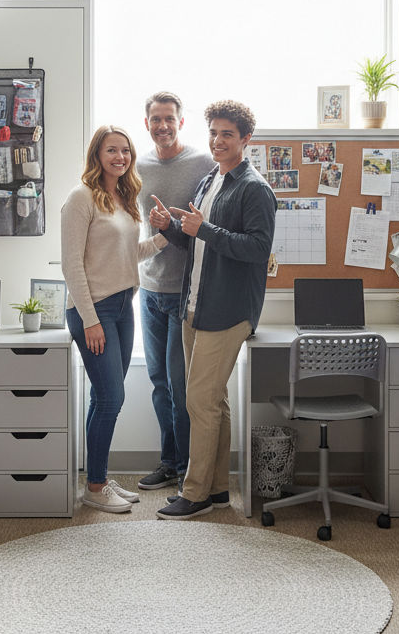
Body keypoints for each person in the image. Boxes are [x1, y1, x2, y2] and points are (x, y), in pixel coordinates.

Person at [149, 99, 276, 519]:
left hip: (227, 310)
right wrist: (172, 227)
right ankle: (218, 488)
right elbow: (201, 242)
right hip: (195, 304)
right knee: (213, 402)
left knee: (199, 402)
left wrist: (204, 227)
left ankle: (196, 492)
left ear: (246, 140)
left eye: (227, 134)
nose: (218, 141)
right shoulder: (210, 180)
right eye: (214, 133)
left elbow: (257, 249)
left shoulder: (254, 188)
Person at [61, 126, 168, 513]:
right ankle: (94, 486)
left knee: (104, 398)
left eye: (125, 151)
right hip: (95, 310)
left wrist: (163, 237)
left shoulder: (123, 198)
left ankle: (99, 479)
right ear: (97, 154)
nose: (120, 157)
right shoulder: (81, 197)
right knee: (111, 397)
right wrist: (90, 320)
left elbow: (125, 255)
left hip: (123, 307)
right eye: (112, 150)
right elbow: (72, 265)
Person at [134, 91, 215, 493]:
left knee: (180, 384)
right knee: (158, 382)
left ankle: (188, 470)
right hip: (147, 288)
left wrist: (174, 222)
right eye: (155, 120)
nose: (162, 126)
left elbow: (212, 219)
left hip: (185, 292)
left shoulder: (203, 163)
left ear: (181, 122)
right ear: (146, 123)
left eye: (169, 119)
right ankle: (169, 462)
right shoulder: (138, 165)